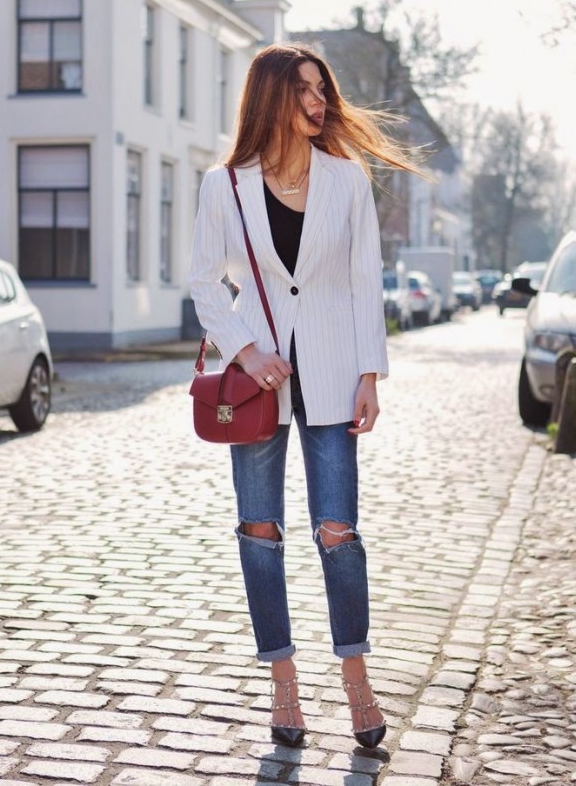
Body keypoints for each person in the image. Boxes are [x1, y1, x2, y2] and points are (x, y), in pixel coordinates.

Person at [188, 43, 415, 750]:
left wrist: (370, 374)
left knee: (337, 533)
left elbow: (361, 280)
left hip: (334, 371)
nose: (318, 102)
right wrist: (246, 351)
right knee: (259, 531)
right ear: (270, 99)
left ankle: (355, 677)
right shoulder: (225, 185)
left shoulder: (347, 181)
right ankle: (283, 681)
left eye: (323, 90)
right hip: (259, 381)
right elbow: (203, 281)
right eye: (303, 91)